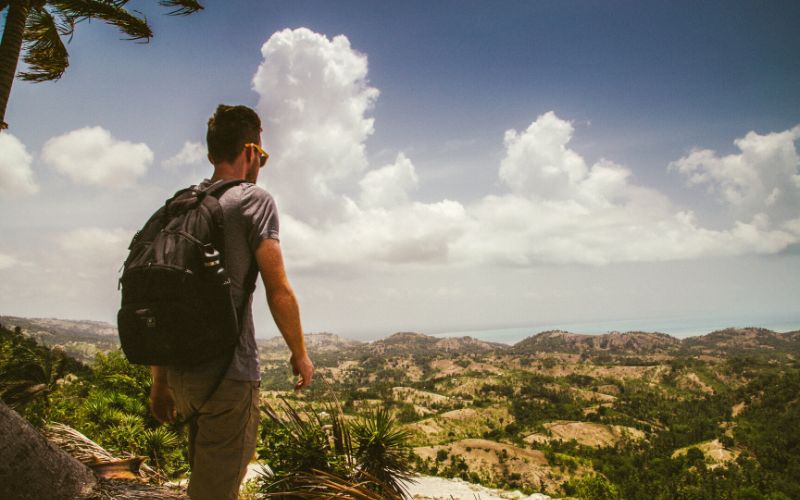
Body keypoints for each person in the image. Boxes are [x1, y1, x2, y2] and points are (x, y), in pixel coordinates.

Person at [148, 104, 314, 500]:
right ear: (252, 150)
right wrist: (300, 353)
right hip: (229, 373)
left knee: (203, 485)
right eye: (262, 153)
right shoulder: (254, 200)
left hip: (181, 375)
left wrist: (159, 381)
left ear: (211, 154)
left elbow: (161, 296)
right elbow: (278, 288)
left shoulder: (178, 205)